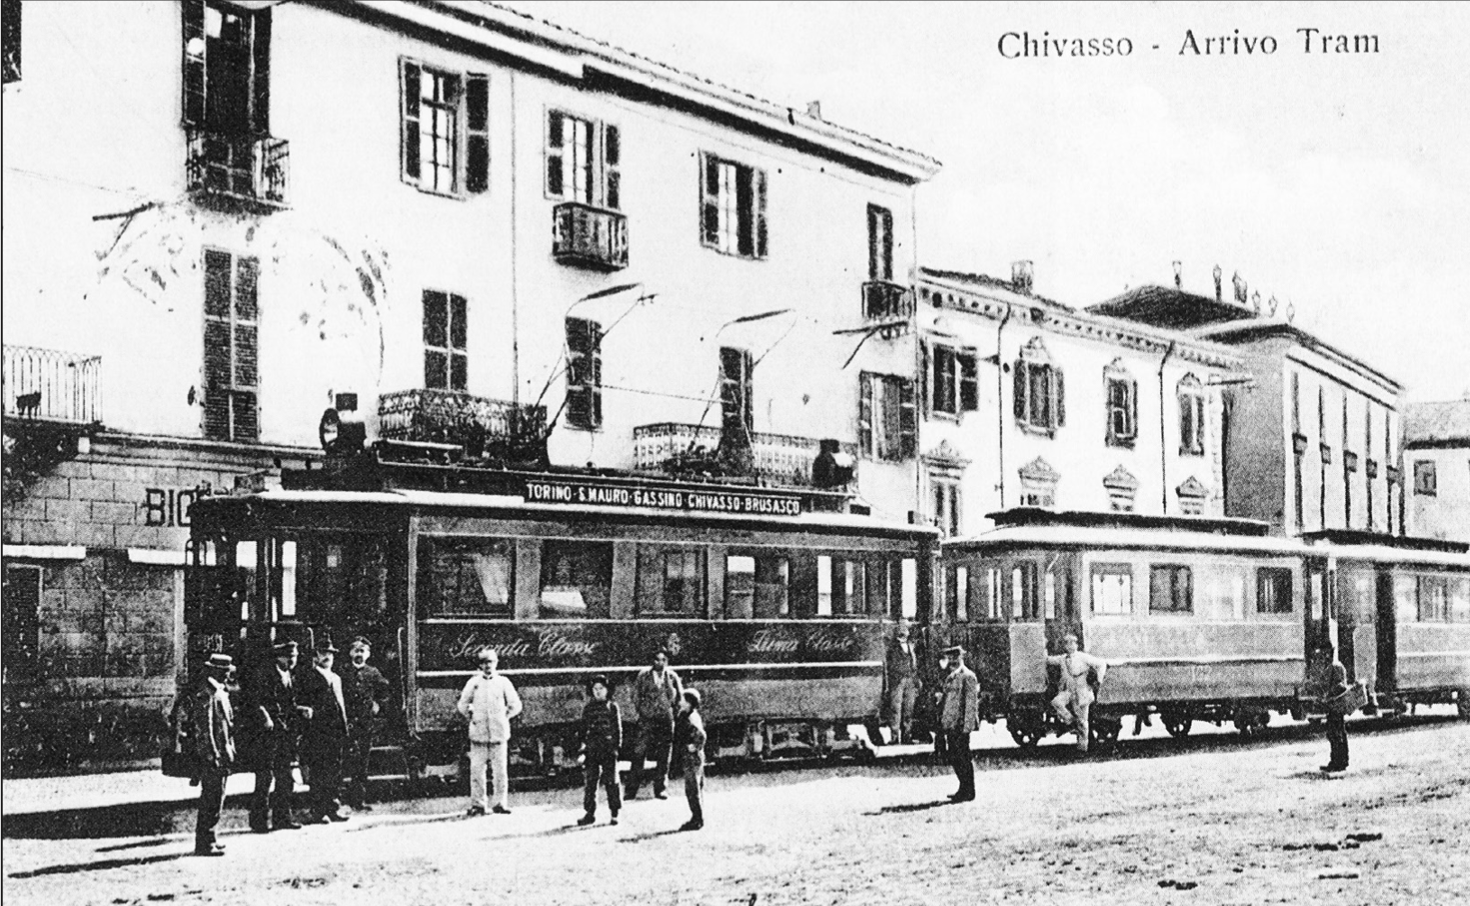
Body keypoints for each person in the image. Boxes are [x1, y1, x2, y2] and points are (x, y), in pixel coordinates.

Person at [247, 640, 309, 833]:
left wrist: (300, 710)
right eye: (288, 657)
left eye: (295, 657)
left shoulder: (289, 675)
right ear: (278, 657)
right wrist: (265, 718)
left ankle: (283, 818)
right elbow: (254, 702)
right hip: (267, 734)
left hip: (285, 733)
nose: (292, 660)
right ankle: (259, 821)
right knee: (265, 777)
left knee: (285, 776)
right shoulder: (264, 674)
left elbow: (288, 704)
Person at [457, 647, 522, 816]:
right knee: (477, 771)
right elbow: (462, 704)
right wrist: (472, 716)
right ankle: (478, 805)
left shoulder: (503, 682)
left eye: (491, 662)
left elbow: (516, 704)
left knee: (500, 771)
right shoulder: (474, 683)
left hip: (499, 734)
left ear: (496, 663)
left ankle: (500, 803)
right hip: (478, 734)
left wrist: (504, 716)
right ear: (480, 665)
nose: (488, 666)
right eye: (484, 662)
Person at [298, 638, 350, 823]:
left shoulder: (336, 678)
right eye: (323, 653)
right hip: (318, 733)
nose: (327, 656)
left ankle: (333, 808)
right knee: (318, 773)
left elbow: (341, 704)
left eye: (330, 653)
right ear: (316, 656)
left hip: (336, 733)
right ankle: (318, 811)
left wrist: (344, 728)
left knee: (334, 772)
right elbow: (302, 704)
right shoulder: (308, 677)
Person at [190, 653, 236, 856]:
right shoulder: (207, 693)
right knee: (211, 798)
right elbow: (204, 729)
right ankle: (205, 844)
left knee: (217, 798)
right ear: (215, 671)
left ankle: (211, 838)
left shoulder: (219, 691)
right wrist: (211, 754)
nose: (228, 675)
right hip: (213, 755)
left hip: (221, 752)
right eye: (225, 672)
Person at [339, 636, 391, 811]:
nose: (359, 654)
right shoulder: (342, 671)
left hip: (364, 724)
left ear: (368, 654)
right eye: (356, 650)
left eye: (362, 651)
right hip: (345, 724)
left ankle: (358, 801)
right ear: (350, 653)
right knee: (341, 762)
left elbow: (385, 692)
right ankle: (336, 802)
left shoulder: (373, 672)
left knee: (362, 764)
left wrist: (378, 704)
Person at [625, 648, 683, 800]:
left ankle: (661, 789)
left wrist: (673, 713)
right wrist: (642, 711)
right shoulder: (643, 675)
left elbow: (679, 697)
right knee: (639, 752)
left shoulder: (671, 676)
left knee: (664, 755)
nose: (660, 663)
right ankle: (631, 790)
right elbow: (636, 695)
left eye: (663, 660)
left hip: (665, 718)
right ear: (652, 661)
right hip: (647, 719)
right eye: (657, 660)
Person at [1047, 633, 1108, 755]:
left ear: (1076, 645)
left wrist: (1098, 681)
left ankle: (1082, 749)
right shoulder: (1063, 659)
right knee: (1056, 702)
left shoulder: (1083, 657)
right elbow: (1048, 660)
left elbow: (1101, 664)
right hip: (1069, 692)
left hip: (1082, 692)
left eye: (1072, 643)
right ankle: (1070, 721)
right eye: (1067, 644)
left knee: (1083, 722)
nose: (1070, 646)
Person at [577, 675, 623, 826]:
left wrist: (616, 748)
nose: (598, 692)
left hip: (608, 750)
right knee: (590, 783)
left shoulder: (612, 707)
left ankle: (615, 813)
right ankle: (589, 813)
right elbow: (583, 730)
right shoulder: (588, 708)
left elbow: (618, 730)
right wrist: (582, 748)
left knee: (612, 782)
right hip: (592, 749)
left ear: (607, 690)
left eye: (601, 689)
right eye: (595, 689)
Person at [938, 645, 979, 802]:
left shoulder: (968, 676)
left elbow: (971, 705)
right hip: (950, 724)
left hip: (960, 725)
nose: (953, 661)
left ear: (961, 658)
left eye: (955, 657)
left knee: (963, 757)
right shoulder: (951, 676)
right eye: (950, 658)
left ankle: (969, 791)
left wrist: (967, 727)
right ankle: (963, 788)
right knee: (955, 757)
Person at [1311, 641, 1351, 772]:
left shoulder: (1336, 667)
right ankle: (1336, 761)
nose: (1324, 655)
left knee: (1337, 733)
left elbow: (1341, 686)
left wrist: (1329, 693)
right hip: (1332, 705)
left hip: (1337, 705)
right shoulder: (1330, 667)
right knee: (1333, 733)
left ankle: (1340, 762)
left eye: (1326, 652)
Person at [884, 620, 922, 745]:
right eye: (901, 630)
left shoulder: (911, 646)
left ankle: (907, 736)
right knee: (895, 709)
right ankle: (894, 737)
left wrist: (915, 679)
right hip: (897, 682)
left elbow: (914, 664)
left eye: (905, 630)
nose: (903, 632)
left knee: (908, 710)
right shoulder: (892, 647)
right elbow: (890, 665)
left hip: (910, 681)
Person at [675, 688, 707, 831]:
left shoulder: (691, 717)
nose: (679, 701)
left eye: (682, 699)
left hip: (693, 758)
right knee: (692, 788)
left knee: (692, 788)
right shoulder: (685, 714)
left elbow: (702, 735)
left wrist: (696, 746)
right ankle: (696, 817)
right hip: (688, 756)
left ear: (688, 703)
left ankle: (697, 819)